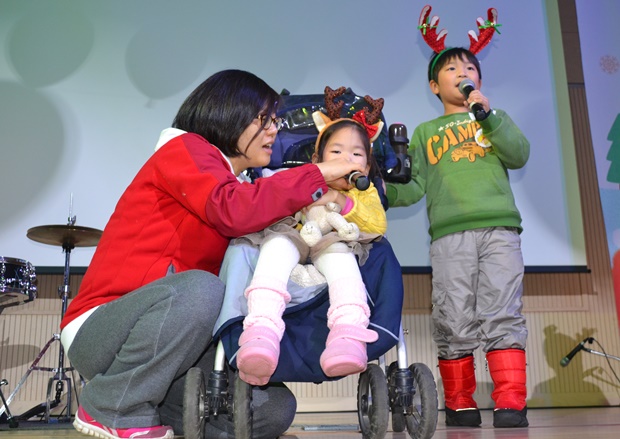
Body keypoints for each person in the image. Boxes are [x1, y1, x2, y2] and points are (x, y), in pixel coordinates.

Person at [59, 69, 364, 439]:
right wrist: (317, 173)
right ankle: (112, 406)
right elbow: (232, 209)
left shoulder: (242, 184)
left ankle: (150, 409)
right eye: (265, 120)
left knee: (271, 409)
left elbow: (252, 208)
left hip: (177, 345)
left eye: (276, 121)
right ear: (228, 113)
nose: (274, 131)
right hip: (105, 330)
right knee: (203, 289)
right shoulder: (184, 150)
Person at [386, 46, 530, 429]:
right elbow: (413, 186)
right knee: (453, 315)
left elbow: (519, 154)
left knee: (503, 311)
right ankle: (459, 401)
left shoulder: (492, 119)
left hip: (500, 230)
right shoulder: (425, 132)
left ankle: (511, 401)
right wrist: (381, 191)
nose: (462, 72)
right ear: (434, 85)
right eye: (451, 68)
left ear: (478, 80)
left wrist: (488, 116)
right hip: (450, 235)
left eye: (469, 67)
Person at [232, 103, 388, 386]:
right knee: (274, 248)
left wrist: (341, 200)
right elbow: (275, 197)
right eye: (336, 152)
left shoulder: (365, 192)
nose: (346, 159)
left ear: (366, 166)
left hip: (333, 240)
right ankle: (262, 330)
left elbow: (377, 224)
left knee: (342, 259)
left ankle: (347, 333)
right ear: (319, 159)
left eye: (356, 154)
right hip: (294, 232)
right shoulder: (304, 178)